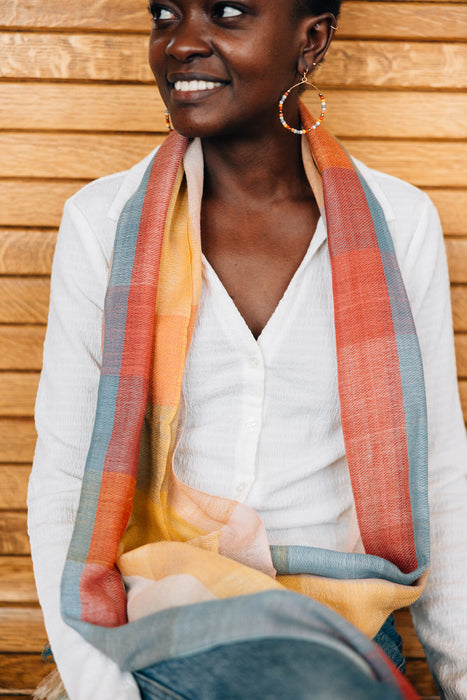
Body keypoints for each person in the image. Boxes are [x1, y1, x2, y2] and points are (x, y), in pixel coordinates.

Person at [28, 1, 467, 698]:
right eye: (164, 14)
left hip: (343, 633)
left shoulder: (398, 225)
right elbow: (62, 482)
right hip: (163, 624)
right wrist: (100, 686)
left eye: (227, 12)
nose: (181, 43)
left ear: (311, 39)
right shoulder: (101, 224)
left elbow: (440, 474)